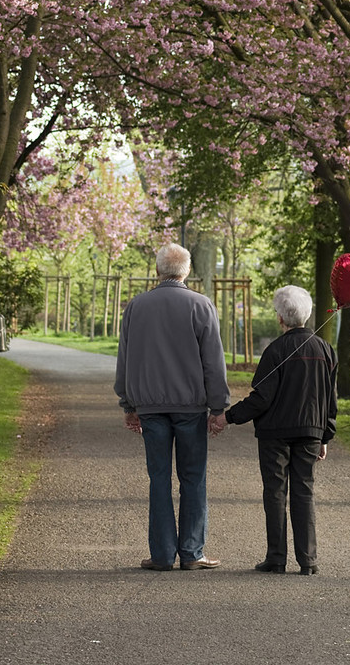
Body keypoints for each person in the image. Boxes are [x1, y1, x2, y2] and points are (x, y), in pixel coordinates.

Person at [114, 243, 229, 571]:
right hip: (191, 406)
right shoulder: (201, 305)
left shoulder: (136, 306)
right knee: (193, 478)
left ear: (157, 271)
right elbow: (213, 362)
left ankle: (163, 554)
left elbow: (125, 358)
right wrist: (219, 408)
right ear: (186, 271)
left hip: (150, 406)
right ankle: (192, 553)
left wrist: (128, 403)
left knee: (159, 478)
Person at [224, 285, 336, 575]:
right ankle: (308, 561)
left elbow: (262, 398)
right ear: (307, 314)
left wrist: (228, 418)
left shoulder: (275, 351)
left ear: (280, 318)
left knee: (275, 493)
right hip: (311, 431)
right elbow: (330, 398)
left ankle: (276, 557)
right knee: (304, 492)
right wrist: (326, 434)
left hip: (275, 434)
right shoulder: (325, 349)